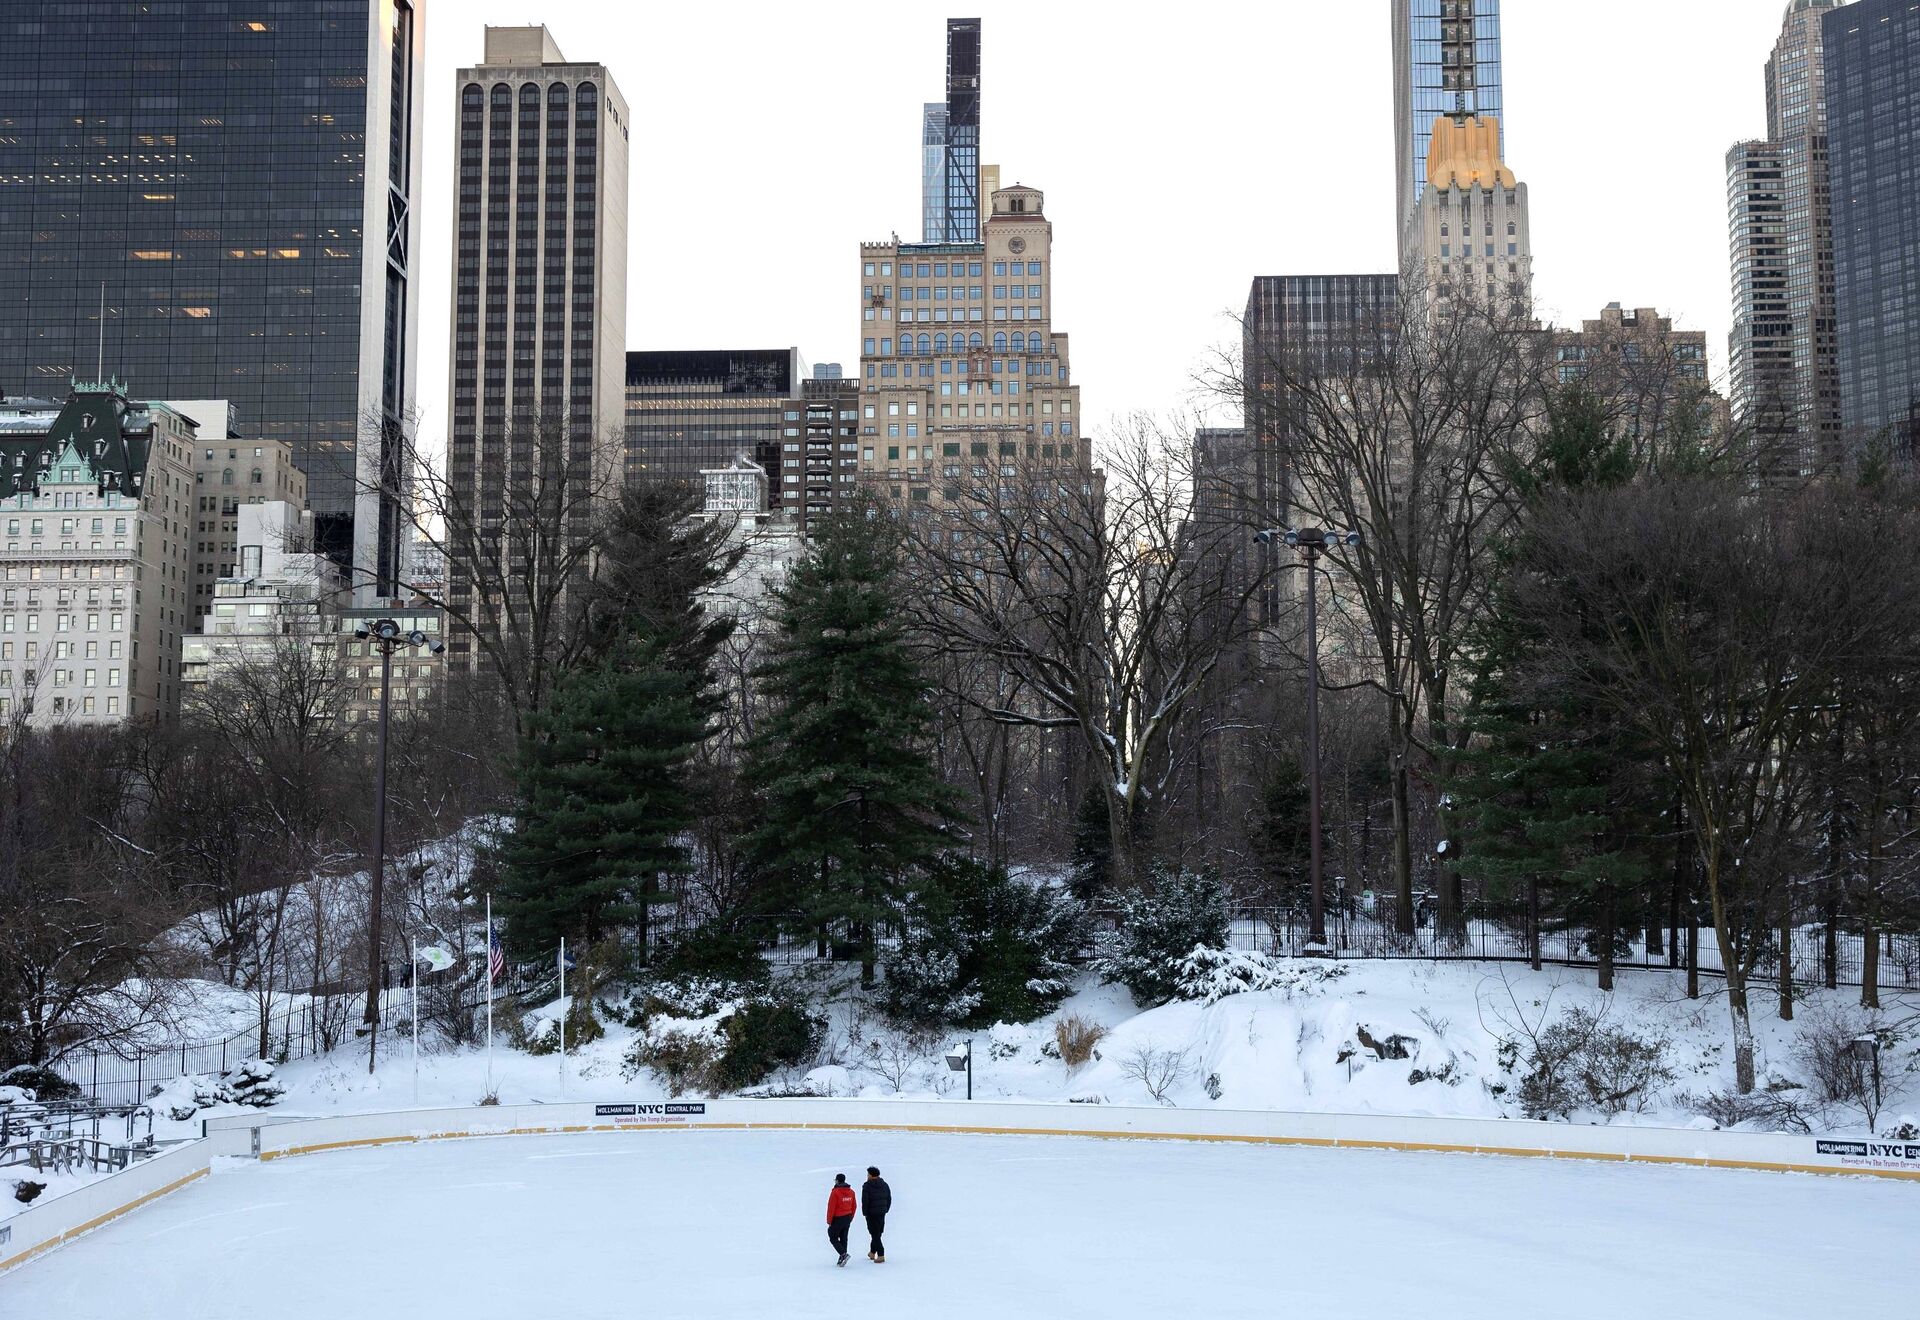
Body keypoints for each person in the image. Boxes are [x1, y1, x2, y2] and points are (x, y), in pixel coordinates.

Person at [861, 1166, 892, 1263]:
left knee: (874, 1233)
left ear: (870, 1175)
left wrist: (865, 1212)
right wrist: (886, 1209)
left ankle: (881, 1254)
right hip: (882, 1212)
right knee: (878, 1232)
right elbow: (889, 1198)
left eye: (868, 1174)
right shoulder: (885, 1184)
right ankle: (872, 1252)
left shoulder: (867, 1186)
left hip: (871, 1213)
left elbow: (865, 1201)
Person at [827, 1173, 856, 1266]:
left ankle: (843, 1254)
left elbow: (831, 1207)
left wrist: (829, 1221)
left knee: (832, 1236)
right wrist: (851, 1217)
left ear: (837, 1181)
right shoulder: (851, 1192)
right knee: (844, 1237)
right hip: (847, 1217)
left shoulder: (835, 1192)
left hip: (837, 1218)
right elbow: (854, 1206)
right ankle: (842, 1257)